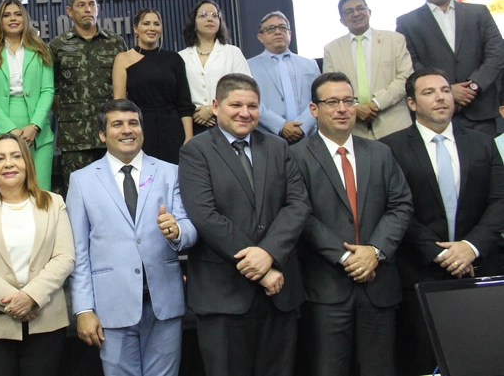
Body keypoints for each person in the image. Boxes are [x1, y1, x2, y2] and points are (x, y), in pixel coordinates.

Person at [179, 73, 310, 376]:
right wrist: (260, 266)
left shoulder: (278, 148)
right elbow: (205, 215)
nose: (245, 112)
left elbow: (298, 205)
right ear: (215, 106)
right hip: (223, 296)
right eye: (235, 104)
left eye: (252, 106)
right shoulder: (195, 151)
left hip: (279, 292)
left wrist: (269, 255)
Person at [379, 68, 504, 375]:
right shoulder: (388, 148)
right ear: (411, 103)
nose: (440, 98)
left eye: (445, 90)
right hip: (420, 272)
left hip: (479, 269)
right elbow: (395, 208)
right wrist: (443, 253)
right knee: (425, 363)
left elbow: (500, 200)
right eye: (429, 92)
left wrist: (471, 247)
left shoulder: (482, 143)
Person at [291, 72, 413, 376]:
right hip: (325, 289)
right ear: (314, 109)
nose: (342, 109)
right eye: (332, 102)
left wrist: (375, 251)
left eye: (348, 101)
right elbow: (299, 214)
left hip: (378, 285)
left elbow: (401, 205)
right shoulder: (294, 157)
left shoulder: (381, 152)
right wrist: (346, 256)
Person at [67, 99, 197, 376]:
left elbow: (190, 227)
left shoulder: (170, 172)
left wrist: (178, 231)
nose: (127, 130)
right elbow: (77, 251)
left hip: (164, 303)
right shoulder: (82, 180)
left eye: (133, 123)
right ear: (103, 135)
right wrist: (83, 309)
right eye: (117, 124)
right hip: (111, 306)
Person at [0, 133, 74, 376]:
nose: (8, 163)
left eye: (16, 156)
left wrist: (32, 296)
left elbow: (64, 258)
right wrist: (15, 300)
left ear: (27, 163)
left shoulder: (54, 203)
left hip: (46, 322)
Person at [395, 0, 504, 137]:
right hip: (437, 115)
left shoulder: (479, 13)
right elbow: (411, 63)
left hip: (481, 111)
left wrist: (474, 86)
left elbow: (497, 53)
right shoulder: (407, 23)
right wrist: (447, 90)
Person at [50, 0, 126, 186]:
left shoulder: (115, 43)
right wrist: (67, 115)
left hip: (110, 134)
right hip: (74, 138)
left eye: (92, 4)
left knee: (114, 191)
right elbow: (51, 89)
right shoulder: (57, 46)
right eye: (81, 5)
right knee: (78, 194)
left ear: (97, 8)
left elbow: (125, 86)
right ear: (69, 11)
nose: (87, 9)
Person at [0, 0, 56, 190]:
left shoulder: (41, 50)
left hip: (38, 134)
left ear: (25, 19)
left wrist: (34, 125)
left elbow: (48, 90)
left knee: (40, 193)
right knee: (1, 194)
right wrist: (9, 130)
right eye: (7, 15)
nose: (13, 18)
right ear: (0, 21)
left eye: (18, 14)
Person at [323, 0, 413, 139]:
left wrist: (376, 103)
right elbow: (330, 88)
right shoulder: (331, 49)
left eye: (360, 8)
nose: (356, 13)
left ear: (369, 12)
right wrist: (355, 108)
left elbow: (405, 77)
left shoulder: (395, 40)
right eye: (349, 11)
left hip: (395, 125)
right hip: (354, 129)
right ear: (342, 20)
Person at [112, 7, 193, 163]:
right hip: (140, 128)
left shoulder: (174, 59)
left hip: (172, 129)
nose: (152, 28)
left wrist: (189, 136)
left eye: (156, 24)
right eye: (146, 23)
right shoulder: (123, 59)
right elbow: (119, 103)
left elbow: (184, 102)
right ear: (136, 28)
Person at [178, 0, 251, 136]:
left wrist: (212, 109)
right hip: (193, 126)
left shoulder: (232, 52)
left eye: (214, 15)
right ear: (193, 23)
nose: (210, 19)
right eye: (203, 15)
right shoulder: (181, 57)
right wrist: (194, 113)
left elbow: (246, 88)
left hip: (229, 122)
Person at [247, 11, 320, 144]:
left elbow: (319, 98)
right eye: (270, 29)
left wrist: (303, 127)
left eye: (282, 27)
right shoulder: (248, 66)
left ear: (290, 34)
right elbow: (251, 102)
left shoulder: (310, 64)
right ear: (260, 37)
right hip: (267, 138)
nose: (277, 32)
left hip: (308, 137)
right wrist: (280, 126)